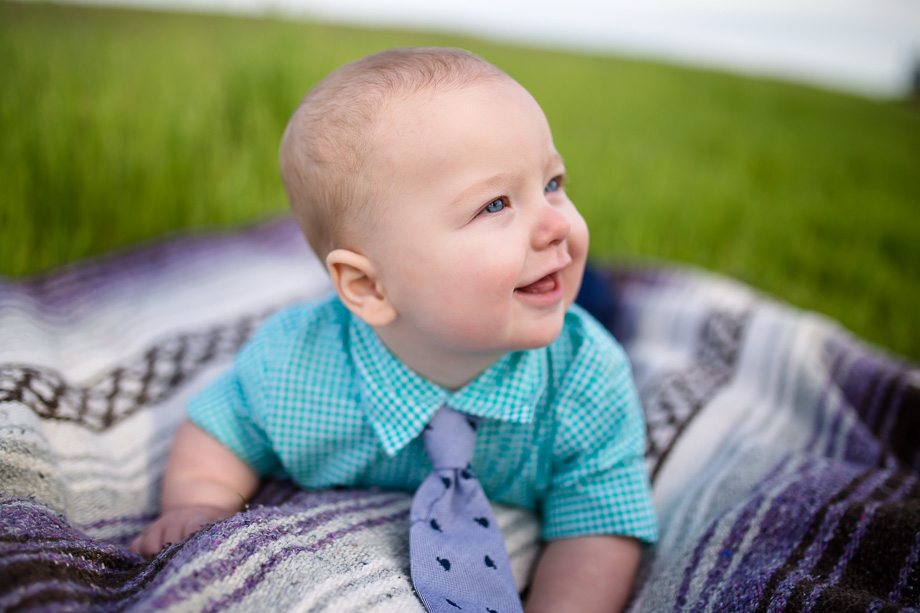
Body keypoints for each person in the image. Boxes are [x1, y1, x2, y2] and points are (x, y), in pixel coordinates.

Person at [131, 47, 657, 612]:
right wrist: (200, 500)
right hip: (446, 300)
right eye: (496, 203)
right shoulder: (296, 366)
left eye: (553, 182)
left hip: (554, 302)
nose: (558, 223)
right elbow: (221, 428)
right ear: (369, 288)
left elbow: (600, 523)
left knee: (597, 298)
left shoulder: (587, 374)